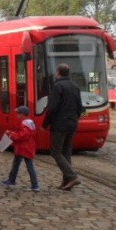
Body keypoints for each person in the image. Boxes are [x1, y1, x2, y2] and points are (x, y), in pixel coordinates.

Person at [42, 62, 83, 191]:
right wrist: (74, 119)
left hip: (60, 124)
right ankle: (67, 182)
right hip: (72, 124)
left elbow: (52, 108)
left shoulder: (58, 86)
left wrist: (45, 124)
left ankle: (72, 176)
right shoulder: (75, 86)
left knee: (55, 151)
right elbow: (80, 107)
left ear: (58, 73)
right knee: (66, 152)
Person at [1, 105, 40, 192]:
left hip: (23, 148)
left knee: (28, 166)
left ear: (22, 114)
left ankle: (35, 185)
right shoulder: (29, 123)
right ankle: (12, 180)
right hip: (27, 147)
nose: (16, 115)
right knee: (17, 164)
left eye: (17, 113)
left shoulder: (24, 124)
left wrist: (10, 134)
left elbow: (21, 136)